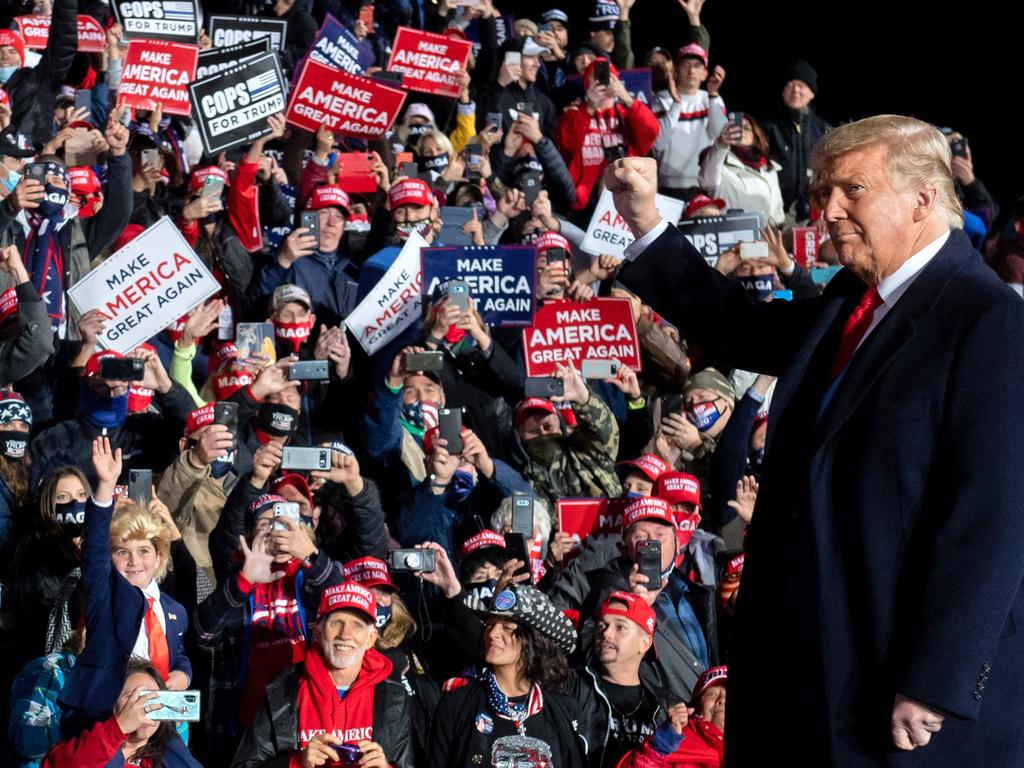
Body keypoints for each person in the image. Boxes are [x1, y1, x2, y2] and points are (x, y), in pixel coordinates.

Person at [604, 117, 1024, 764]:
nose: (826, 210)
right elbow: (738, 327)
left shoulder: (988, 320)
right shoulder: (853, 300)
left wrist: (938, 677)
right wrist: (645, 225)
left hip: (900, 694)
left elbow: (991, 517)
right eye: (824, 191)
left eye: (851, 190)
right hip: (806, 672)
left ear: (923, 198)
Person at [231, 581, 412, 768]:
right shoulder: (283, 689)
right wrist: (295, 763)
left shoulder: (393, 694)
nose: (345, 635)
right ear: (317, 632)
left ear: (371, 638)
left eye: (357, 625)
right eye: (336, 623)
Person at [426, 583, 586, 768]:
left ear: (533, 640)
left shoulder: (564, 709)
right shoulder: (456, 705)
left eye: (507, 627)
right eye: (490, 624)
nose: (493, 633)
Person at [763, 61, 832, 222]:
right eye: (790, 84)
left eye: (801, 85)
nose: (795, 90)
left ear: (812, 93)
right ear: (783, 91)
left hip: (813, 213)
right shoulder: (765, 127)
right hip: (774, 213)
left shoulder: (824, 130)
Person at [698, 114, 785, 226]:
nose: (742, 131)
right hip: (736, 236)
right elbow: (707, 181)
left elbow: (777, 209)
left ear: (756, 134)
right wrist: (720, 144)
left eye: (747, 128)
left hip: (768, 237)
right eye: (736, 127)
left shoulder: (769, 167)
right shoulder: (719, 163)